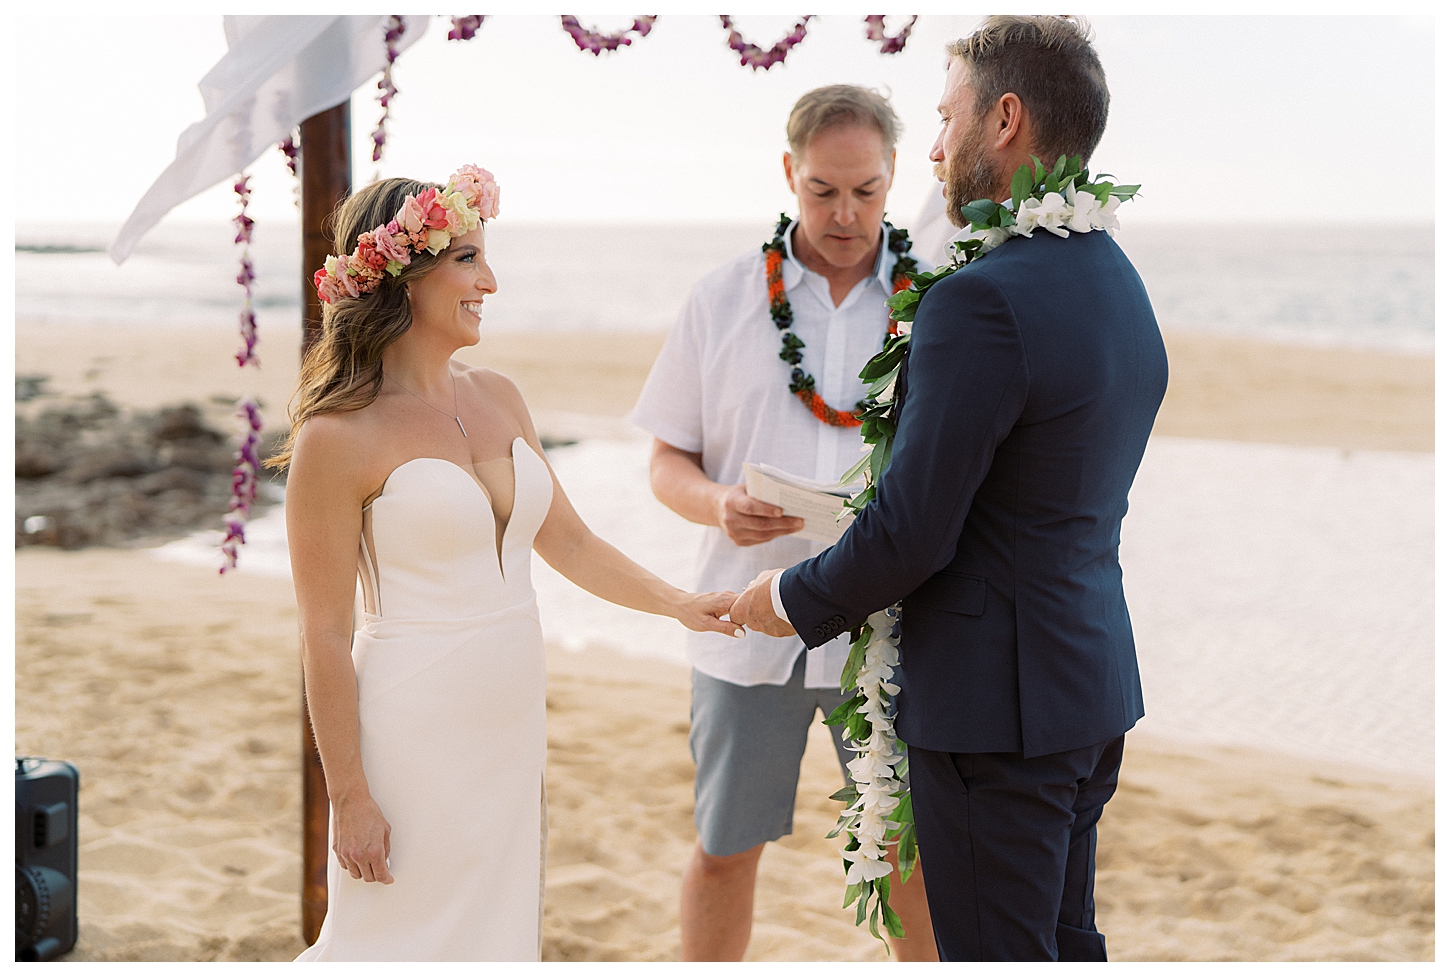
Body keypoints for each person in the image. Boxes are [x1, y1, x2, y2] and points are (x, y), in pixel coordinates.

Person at [730, 17, 1169, 962]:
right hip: (1086, 688)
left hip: (994, 710)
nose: (932, 148)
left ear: (1004, 119)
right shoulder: (1116, 280)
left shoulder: (982, 298)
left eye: (944, 117)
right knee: (1061, 944)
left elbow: (913, 531)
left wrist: (785, 597)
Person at [277, 169, 739, 962]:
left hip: (508, 722)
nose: (489, 281)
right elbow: (323, 631)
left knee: (494, 932)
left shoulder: (500, 395)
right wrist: (349, 793)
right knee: (390, 938)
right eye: (466, 259)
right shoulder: (336, 436)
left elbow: (573, 544)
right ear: (405, 277)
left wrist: (679, 603)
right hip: (408, 727)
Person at [630, 86, 936, 961]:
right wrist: (720, 504)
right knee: (725, 850)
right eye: (822, 190)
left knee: (903, 856)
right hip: (741, 626)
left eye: (867, 191)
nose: (846, 214)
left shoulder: (933, 303)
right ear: (788, 173)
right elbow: (664, 462)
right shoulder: (722, 297)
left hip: (884, 630)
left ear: (892, 179)